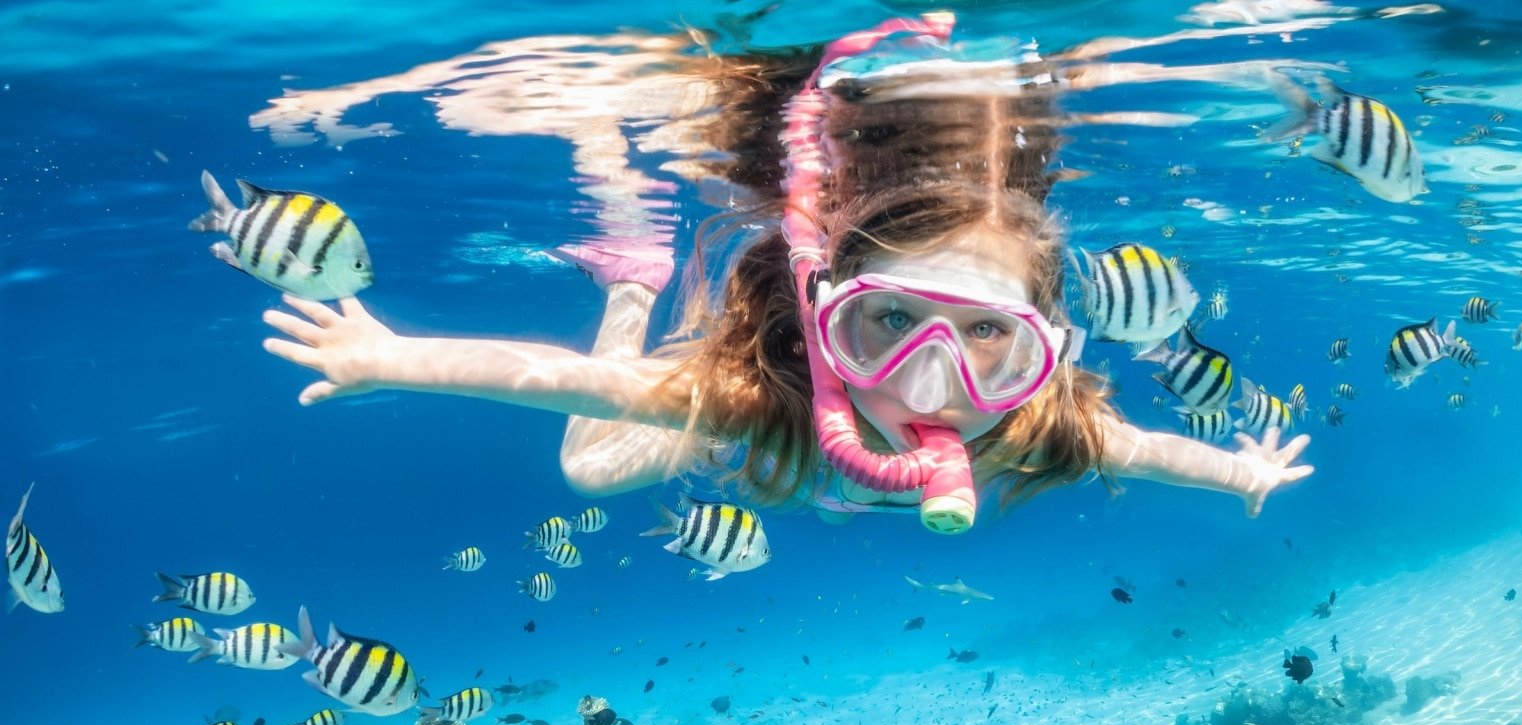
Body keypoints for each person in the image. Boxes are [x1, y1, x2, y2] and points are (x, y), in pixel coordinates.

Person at [261, 14, 1311, 532]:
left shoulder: (1046, 427)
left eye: (987, 336)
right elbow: (584, 384)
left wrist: (1246, 472)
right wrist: (390, 358)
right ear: (824, 318)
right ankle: (633, 278)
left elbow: (1154, 453)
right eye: (889, 320)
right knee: (586, 467)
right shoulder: (763, 407)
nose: (927, 383)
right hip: (764, 409)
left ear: (1051, 351)